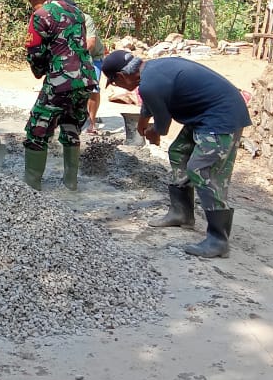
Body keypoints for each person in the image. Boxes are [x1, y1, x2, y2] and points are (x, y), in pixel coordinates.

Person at [101, 50, 251, 259]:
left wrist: (153, 132)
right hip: (205, 115)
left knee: (200, 169)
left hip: (221, 117)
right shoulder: (152, 71)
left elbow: (162, 126)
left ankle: (219, 240)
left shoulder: (149, 83)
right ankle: (181, 213)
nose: (117, 86)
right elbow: (149, 105)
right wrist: (142, 125)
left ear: (121, 76)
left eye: (114, 82)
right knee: (178, 151)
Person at [19, 0, 97, 191]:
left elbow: (35, 51)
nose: (30, 3)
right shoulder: (76, 12)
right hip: (85, 78)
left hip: (61, 78)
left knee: (37, 128)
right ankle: (71, 183)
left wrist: (39, 71)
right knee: (71, 125)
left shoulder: (41, 15)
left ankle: (31, 185)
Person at [83, 11, 106, 133]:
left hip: (94, 56)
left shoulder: (85, 19)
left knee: (93, 88)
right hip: (74, 56)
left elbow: (90, 44)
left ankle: (92, 123)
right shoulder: (59, 19)